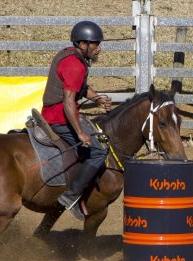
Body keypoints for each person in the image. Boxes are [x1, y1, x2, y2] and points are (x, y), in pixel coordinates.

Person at [40, 20, 113, 221]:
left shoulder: (70, 56)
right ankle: (70, 197)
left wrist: (97, 98)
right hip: (58, 118)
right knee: (99, 151)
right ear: (82, 44)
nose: (98, 48)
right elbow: (69, 102)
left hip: (55, 113)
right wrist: (80, 133)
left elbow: (81, 87)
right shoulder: (75, 65)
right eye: (95, 44)